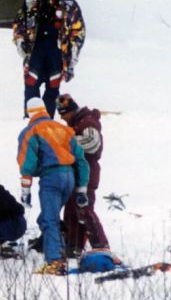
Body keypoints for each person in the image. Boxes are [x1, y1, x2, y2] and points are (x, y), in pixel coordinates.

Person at [17, 97, 89, 275]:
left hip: (51, 178)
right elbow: (81, 160)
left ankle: (55, 261)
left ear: (30, 113)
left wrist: (25, 190)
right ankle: (60, 246)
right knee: (48, 217)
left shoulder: (30, 132)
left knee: (50, 220)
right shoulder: (64, 129)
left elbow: (27, 164)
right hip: (69, 178)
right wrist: (81, 189)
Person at [12, 0, 85, 118]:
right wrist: (20, 41)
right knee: (31, 83)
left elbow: (78, 30)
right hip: (36, 48)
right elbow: (19, 23)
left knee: (53, 87)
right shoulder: (32, 1)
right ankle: (30, 119)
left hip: (56, 50)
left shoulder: (69, 4)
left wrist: (73, 51)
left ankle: (47, 119)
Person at [56, 94, 110, 256]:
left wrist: (65, 142)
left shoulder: (88, 122)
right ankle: (74, 247)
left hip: (87, 172)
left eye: (63, 114)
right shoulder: (77, 123)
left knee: (83, 209)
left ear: (71, 111)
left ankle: (101, 244)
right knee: (72, 210)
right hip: (77, 173)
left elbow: (92, 144)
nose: (62, 118)